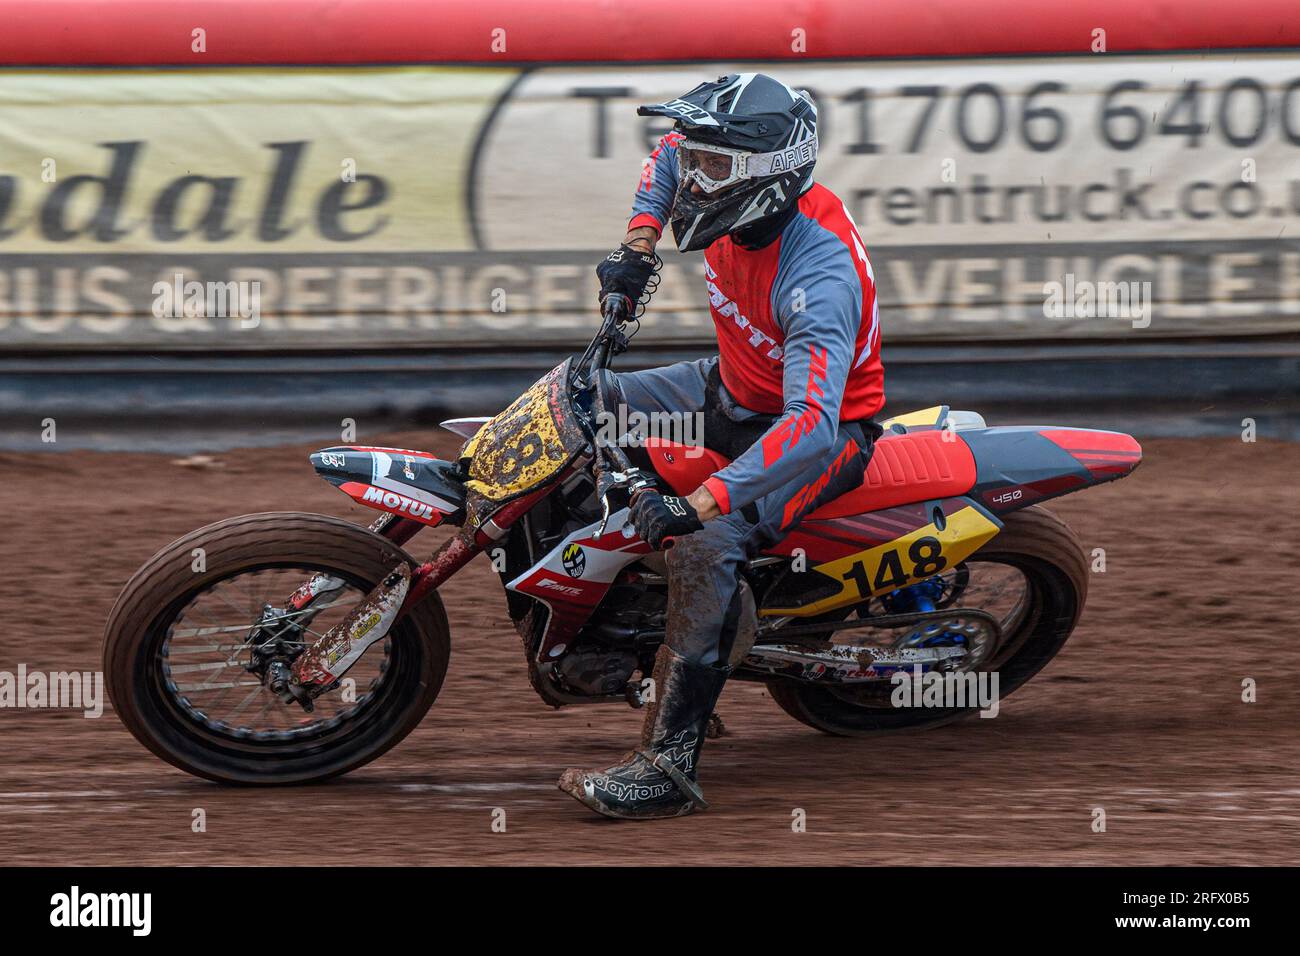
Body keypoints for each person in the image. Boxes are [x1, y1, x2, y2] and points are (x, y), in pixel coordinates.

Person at [558, 73, 885, 819]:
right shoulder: (730, 195)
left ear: (767, 178)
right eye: (702, 163)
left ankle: (668, 769)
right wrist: (637, 248)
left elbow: (810, 425)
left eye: (714, 167)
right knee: (574, 398)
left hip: (817, 433)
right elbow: (669, 152)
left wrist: (695, 505)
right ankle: (601, 642)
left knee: (704, 546)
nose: (693, 178)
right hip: (727, 386)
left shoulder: (818, 273)